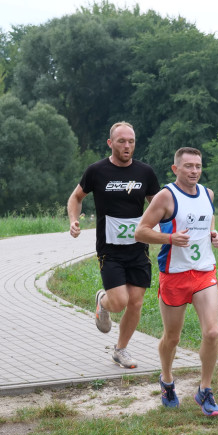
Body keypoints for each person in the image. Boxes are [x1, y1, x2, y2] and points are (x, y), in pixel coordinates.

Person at [135, 147, 218, 416]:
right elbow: (141, 232)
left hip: (204, 272)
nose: (194, 171)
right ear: (176, 169)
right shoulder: (166, 196)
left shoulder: (208, 194)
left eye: (198, 166)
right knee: (172, 338)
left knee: (212, 332)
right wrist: (169, 239)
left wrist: (214, 235)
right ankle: (167, 379)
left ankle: (204, 390)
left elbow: (208, 222)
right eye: (188, 166)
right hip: (174, 274)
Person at [67, 122, 160, 369]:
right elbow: (76, 197)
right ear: (111, 143)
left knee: (137, 301)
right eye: (121, 141)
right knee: (119, 301)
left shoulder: (145, 173)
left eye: (131, 141)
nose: (127, 145)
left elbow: (161, 205)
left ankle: (121, 350)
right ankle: (103, 301)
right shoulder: (97, 171)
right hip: (110, 249)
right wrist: (74, 220)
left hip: (138, 247)